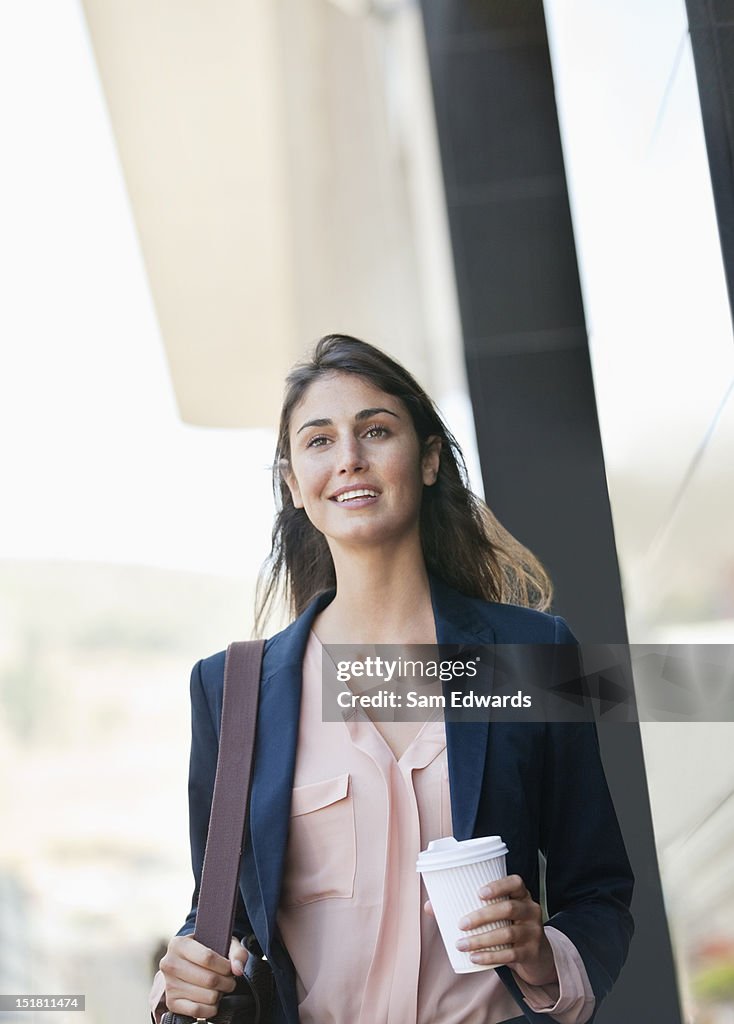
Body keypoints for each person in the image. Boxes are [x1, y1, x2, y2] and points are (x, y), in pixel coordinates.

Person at [150, 334, 634, 1024]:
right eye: (318, 441)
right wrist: (186, 972)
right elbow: (220, 914)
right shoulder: (234, 690)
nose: (348, 458)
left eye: (375, 430)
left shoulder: (530, 653)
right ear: (293, 485)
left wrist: (542, 953)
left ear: (429, 458)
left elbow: (600, 890)